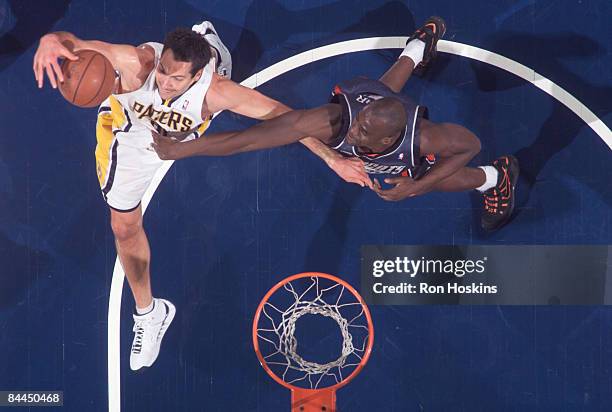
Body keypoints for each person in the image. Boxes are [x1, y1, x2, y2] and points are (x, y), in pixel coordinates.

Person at [32, 21, 371, 371]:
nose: (164, 82)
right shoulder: (138, 63)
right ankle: (150, 314)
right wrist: (49, 38)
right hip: (132, 138)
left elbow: (286, 118)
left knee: (225, 83)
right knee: (122, 228)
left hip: (184, 128)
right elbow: (75, 42)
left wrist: (333, 159)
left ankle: (211, 48)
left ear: (196, 77)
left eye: (176, 78)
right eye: (164, 71)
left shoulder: (216, 91)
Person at [152, 17, 519, 233]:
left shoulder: (423, 139)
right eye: (357, 125)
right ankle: (417, 49)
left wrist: (418, 187)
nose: (350, 133)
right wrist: (183, 149)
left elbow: (469, 146)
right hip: (369, 95)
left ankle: (496, 177)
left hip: (397, 130)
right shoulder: (336, 121)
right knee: (379, 94)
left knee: (443, 176)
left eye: (360, 132)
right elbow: (248, 140)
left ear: (392, 137)